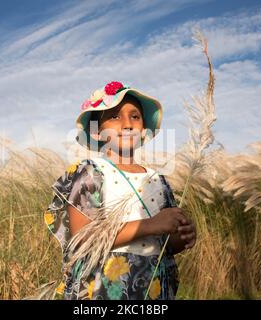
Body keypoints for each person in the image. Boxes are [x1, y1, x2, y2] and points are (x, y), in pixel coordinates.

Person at [44, 81, 196, 300]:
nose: (127, 124)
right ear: (97, 133)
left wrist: (182, 237)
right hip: (105, 286)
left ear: (143, 130)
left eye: (135, 116)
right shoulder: (91, 173)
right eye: (114, 116)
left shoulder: (158, 180)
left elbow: (165, 245)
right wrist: (151, 224)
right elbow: (84, 240)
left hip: (152, 286)